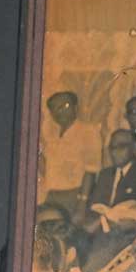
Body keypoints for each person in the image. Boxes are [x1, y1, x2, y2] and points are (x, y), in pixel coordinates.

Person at [77, 129, 136, 272]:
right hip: (97, 230)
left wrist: (133, 223)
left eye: (121, 146)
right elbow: (94, 206)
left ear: (135, 148)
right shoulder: (105, 174)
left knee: (90, 265)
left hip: (125, 234)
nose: (115, 152)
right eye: (112, 147)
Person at [37, 91, 101, 225]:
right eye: (54, 108)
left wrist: (82, 205)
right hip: (50, 195)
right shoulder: (52, 136)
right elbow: (46, 170)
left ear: (75, 107)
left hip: (73, 196)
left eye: (65, 105)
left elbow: (91, 170)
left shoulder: (88, 131)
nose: (59, 111)